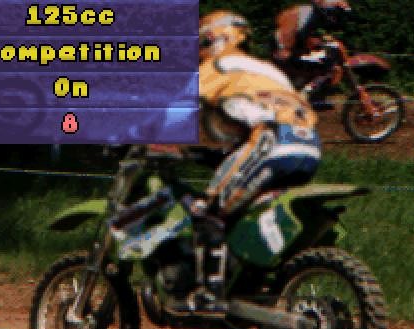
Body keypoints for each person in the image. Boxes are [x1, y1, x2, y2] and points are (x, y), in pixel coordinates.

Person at [109, 10, 322, 312]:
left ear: (213, 39)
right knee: (239, 216)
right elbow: (244, 128)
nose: (198, 50)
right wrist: (204, 155)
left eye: (200, 42)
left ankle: (210, 294)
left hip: (271, 141)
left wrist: (128, 133)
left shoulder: (219, 65)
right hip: (308, 145)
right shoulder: (268, 71)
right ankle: (247, 285)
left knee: (207, 211)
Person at [273, 0, 352, 106]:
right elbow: (289, 36)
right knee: (329, 64)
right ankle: (308, 95)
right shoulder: (307, 14)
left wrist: (318, 42)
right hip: (285, 55)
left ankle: (311, 93)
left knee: (329, 63)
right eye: (336, 13)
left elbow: (302, 37)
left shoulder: (310, 13)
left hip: (287, 53)